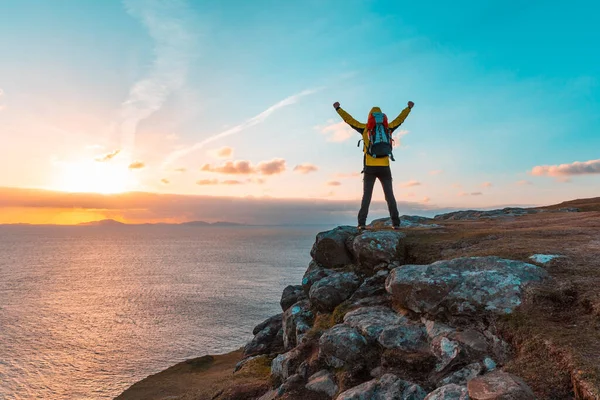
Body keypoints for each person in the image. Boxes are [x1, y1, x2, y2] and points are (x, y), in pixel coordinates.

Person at [333, 100, 415, 230]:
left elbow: (349, 120)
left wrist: (338, 109)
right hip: (385, 167)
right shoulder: (388, 128)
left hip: (369, 167)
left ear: (370, 117)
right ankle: (396, 224)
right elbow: (400, 119)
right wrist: (408, 108)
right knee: (390, 196)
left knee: (366, 196)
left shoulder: (365, 129)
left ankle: (361, 224)